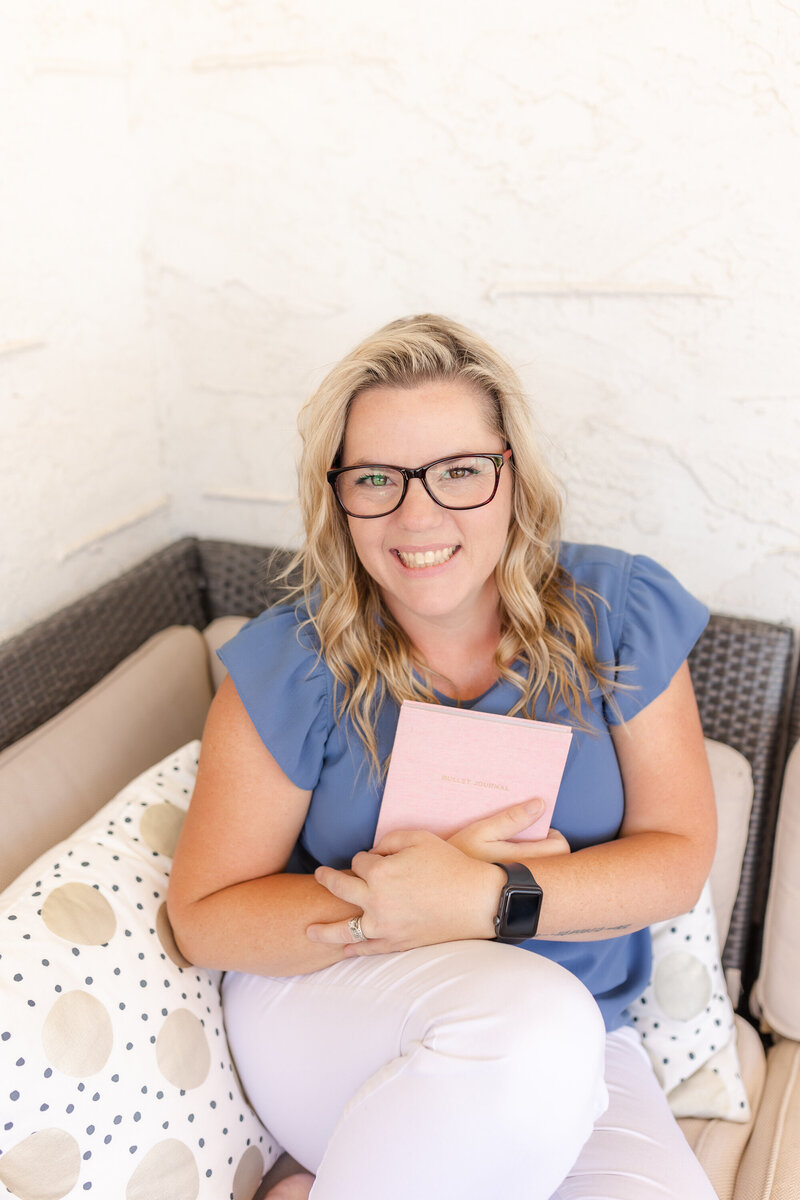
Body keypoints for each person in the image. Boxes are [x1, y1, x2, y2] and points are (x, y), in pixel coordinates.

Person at [167, 314, 719, 1200]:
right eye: (377, 478)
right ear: (337, 496)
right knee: (530, 1022)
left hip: (587, 1037)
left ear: (512, 477)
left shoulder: (617, 612)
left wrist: (484, 899)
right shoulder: (293, 659)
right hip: (339, 1006)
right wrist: (388, 910)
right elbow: (205, 917)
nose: (417, 515)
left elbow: (676, 862)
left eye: (459, 472)